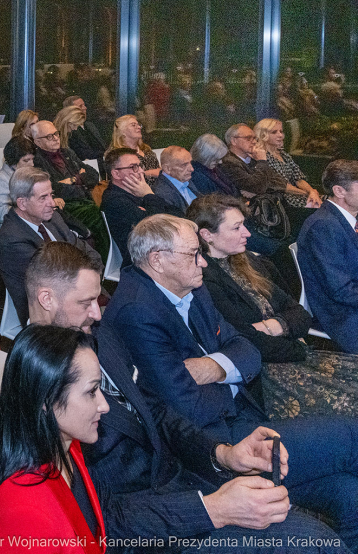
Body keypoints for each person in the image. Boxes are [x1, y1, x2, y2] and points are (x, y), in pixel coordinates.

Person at [24, 243, 348, 553]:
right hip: (156, 530)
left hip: (187, 480)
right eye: (86, 302)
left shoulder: (94, 336)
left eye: (97, 300)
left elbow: (157, 411)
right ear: (47, 298)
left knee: (346, 492)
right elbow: (97, 516)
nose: (97, 313)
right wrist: (212, 509)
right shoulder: (35, 384)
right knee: (313, 538)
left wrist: (222, 454)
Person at [103, 214, 358, 549]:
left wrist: (214, 370)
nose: (203, 263)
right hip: (216, 442)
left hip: (244, 421)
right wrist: (229, 369)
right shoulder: (136, 310)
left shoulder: (189, 285)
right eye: (193, 254)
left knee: (348, 493)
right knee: (352, 437)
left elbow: (247, 347)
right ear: (157, 260)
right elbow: (186, 406)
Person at [189, 194, 358, 419]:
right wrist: (292, 340)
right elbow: (245, 341)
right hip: (266, 373)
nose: (247, 233)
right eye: (237, 228)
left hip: (290, 354)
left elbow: (300, 313)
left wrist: (272, 325)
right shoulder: (205, 281)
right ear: (207, 235)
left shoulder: (248, 261)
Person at [0, 326, 108, 554]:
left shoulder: (65, 442)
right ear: (46, 400)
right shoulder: (21, 512)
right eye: (91, 391)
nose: (104, 405)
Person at [0, 167, 101, 327]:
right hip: (49, 317)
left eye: (51, 195)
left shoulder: (52, 218)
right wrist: (89, 283)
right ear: (22, 203)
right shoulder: (11, 240)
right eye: (43, 198)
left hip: (80, 296)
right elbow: (56, 281)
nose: (52, 203)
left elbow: (90, 254)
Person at [298, 160, 358, 354]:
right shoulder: (323, 227)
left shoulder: (346, 218)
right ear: (340, 191)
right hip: (341, 314)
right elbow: (341, 291)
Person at [31, 120, 107, 259]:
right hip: (65, 206)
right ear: (38, 142)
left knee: (110, 208)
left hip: (86, 199)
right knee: (99, 216)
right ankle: (103, 261)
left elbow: (93, 174)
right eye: (49, 136)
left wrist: (73, 180)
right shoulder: (37, 161)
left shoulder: (67, 152)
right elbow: (56, 189)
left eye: (56, 133)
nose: (55, 138)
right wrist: (80, 178)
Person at [100, 147, 182, 266]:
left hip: (160, 249)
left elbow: (177, 214)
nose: (141, 171)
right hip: (142, 260)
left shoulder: (138, 192)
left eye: (139, 166)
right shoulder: (114, 201)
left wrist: (149, 197)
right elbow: (157, 227)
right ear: (116, 174)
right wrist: (148, 195)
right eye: (133, 167)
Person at [254, 118, 322, 209]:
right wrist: (309, 193)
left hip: (300, 195)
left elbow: (299, 179)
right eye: (274, 132)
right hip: (283, 199)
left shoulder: (284, 154)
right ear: (263, 135)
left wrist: (312, 191)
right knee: (321, 206)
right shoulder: (262, 157)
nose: (280, 135)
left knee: (332, 202)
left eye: (281, 131)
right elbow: (280, 186)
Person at [218, 124, 288, 200]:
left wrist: (257, 192)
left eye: (254, 138)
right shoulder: (228, 163)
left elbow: (281, 182)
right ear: (234, 141)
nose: (254, 142)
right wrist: (262, 161)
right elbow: (258, 187)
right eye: (248, 138)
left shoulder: (253, 159)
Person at [0, 139, 36, 223]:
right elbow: (1, 214)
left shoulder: (27, 174)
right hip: (15, 228)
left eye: (32, 159)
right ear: (13, 161)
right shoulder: (1, 180)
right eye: (26, 160)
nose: (32, 164)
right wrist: (30, 208)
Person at [106, 114, 160, 184]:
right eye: (133, 125)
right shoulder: (117, 155)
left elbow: (160, 171)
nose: (138, 127)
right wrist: (150, 173)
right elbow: (124, 179)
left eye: (138, 125)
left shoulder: (146, 150)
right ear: (122, 131)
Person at [153, 145, 201, 214]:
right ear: (167, 169)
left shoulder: (184, 179)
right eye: (184, 165)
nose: (191, 169)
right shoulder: (161, 194)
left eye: (190, 163)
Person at [63, 96, 107, 162]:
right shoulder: (69, 131)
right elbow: (81, 154)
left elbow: (101, 145)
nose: (85, 108)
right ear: (71, 110)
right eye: (80, 106)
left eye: (84, 105)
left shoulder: (90, 125)